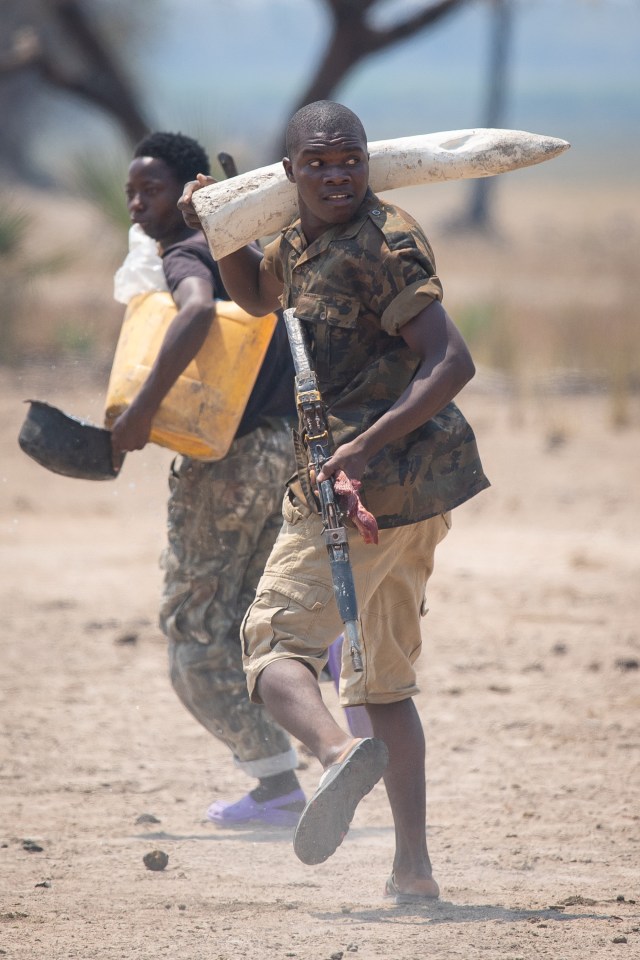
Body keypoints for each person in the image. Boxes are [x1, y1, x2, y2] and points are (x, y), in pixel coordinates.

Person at [180, 101, 489, 900]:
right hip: (413, 486)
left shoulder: (384, 240)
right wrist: (220, 225)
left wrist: (362, 446)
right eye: (317, 163)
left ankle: (330, 754)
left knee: (270, 642)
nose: (336, 174)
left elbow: (450, 361)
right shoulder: (298, 238)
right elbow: (255, 298)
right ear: (291, 173)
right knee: (383, 683)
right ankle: (413, 873)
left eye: (348, 159)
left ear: (367, 160)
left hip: (370, 485)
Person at [110, 131, 307, 827]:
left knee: (194, 640)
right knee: (244, 619)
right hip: (287, 449)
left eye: (153, 190)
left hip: (234, 458)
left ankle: (279, 785)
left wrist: (136, 416)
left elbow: (194, 313)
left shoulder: (192, 250)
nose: (139, 204)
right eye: (131, 191)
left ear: (191, 187)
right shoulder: (244, 249)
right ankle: (296, 765)